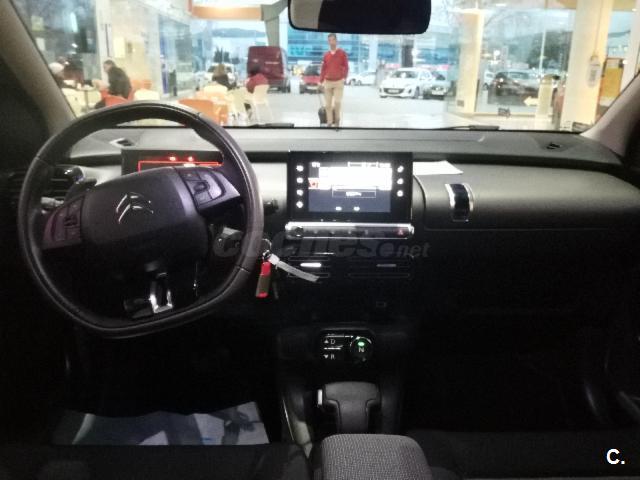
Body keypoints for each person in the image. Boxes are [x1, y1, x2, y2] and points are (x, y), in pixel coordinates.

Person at [320, 33, 348, 127]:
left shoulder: (342, 53)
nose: (331, 42)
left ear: (336, 41)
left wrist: (344, 78)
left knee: (337, 102)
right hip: (328, 82)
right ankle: (329, 122)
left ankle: (337, 120)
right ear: (328, 42)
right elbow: (323, 69)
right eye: (329, 40)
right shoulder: (326, 55)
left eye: (333, 40)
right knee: (328, 105)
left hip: (338, 82)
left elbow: (346, 66)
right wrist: (320, 81)